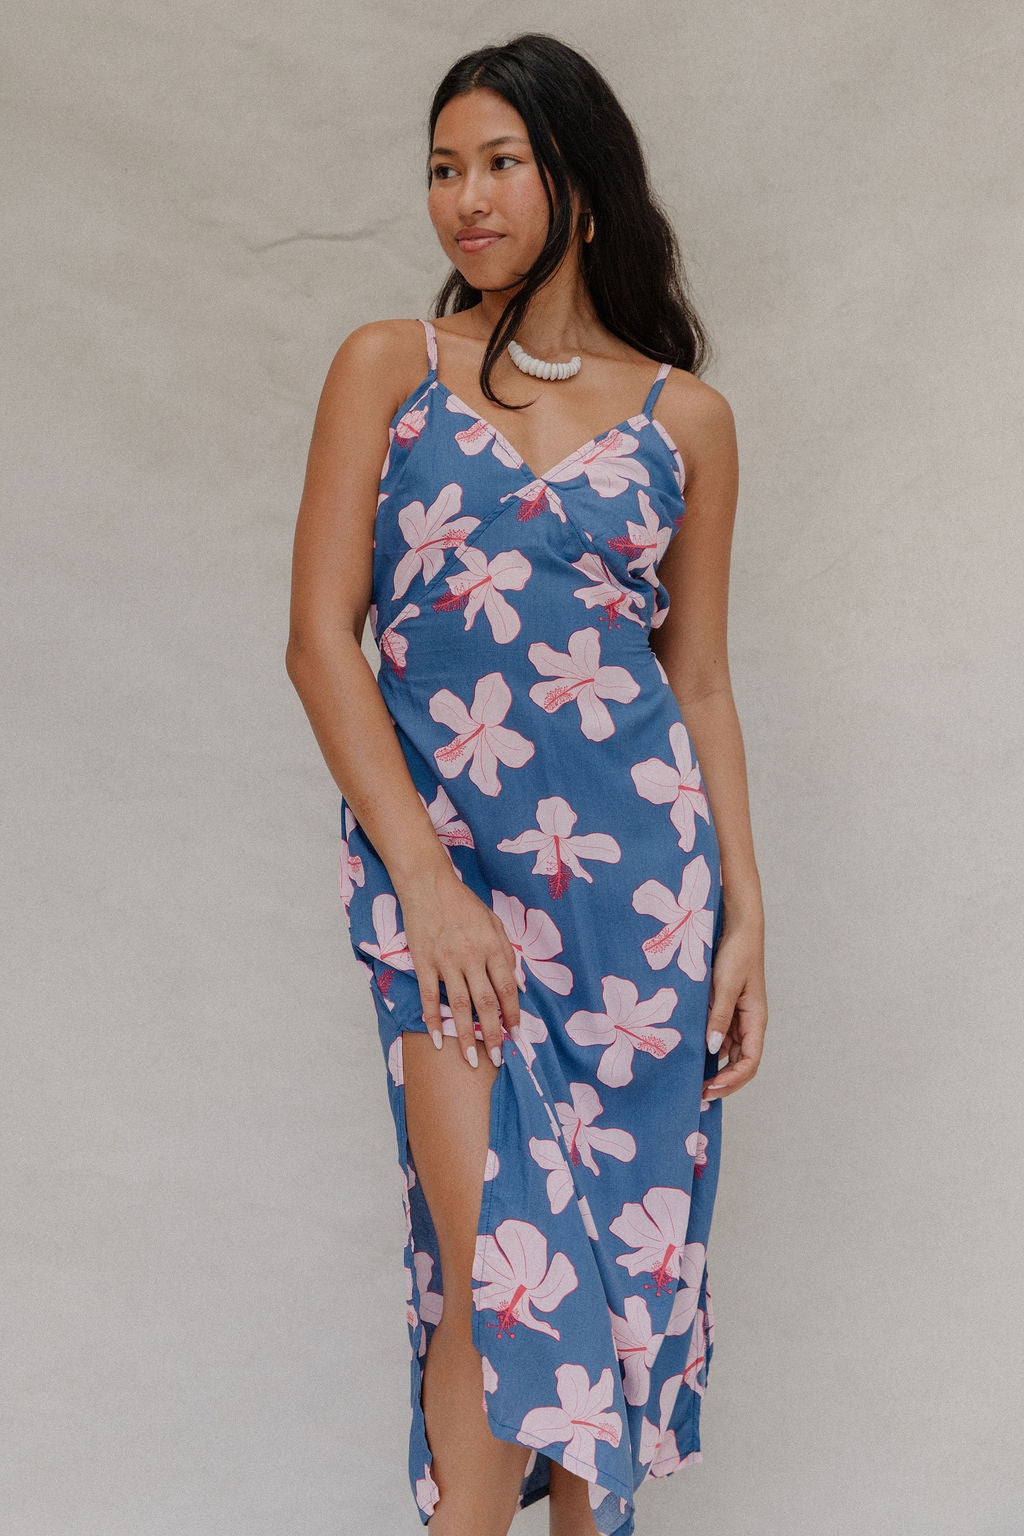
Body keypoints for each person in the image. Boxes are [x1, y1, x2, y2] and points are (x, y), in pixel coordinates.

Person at [286, 31, 767, 1536]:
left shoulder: (686, 419)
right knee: (504, 1271)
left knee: (607, 1292)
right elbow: (319, 643)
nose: (464, 199)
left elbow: (695, 681)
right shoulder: (389, 367)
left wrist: (745, 922)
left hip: (642, 910)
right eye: (444, 167)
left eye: (499, 162)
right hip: (445, 894)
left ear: (581, 184)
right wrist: (429, 886)